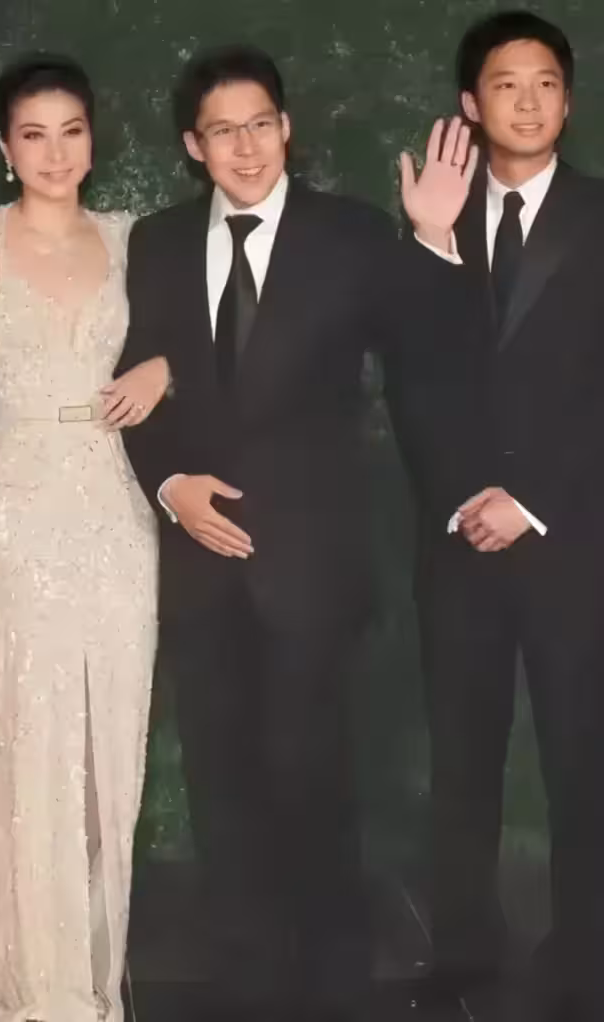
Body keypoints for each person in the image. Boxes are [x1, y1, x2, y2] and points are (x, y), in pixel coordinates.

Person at [116, 43, 474, 1022]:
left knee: (314, 787)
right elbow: (136, 382)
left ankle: (331, 989)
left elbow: (432, 348)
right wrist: (169, 484)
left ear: (287, 128)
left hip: (312, 567)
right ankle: (248, 987)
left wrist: (433, 241)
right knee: (222, 790)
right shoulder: (155, 242)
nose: (245, 146)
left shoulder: (352, 234)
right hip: (199, 565)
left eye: (260, 124)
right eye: (222, 130)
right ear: (193, 145)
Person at [0, 54, 167, 1022]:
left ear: (92, 138)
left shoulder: (133, 236)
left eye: (70, 132)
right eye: (32, 135)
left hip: (118, 502)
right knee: (32, 728)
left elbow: (196, 339)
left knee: (114, 729)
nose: (54, 153)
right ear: (2, 146)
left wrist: (165, 370)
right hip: (22, 502)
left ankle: (94, 959)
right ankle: (30, 966)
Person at [386, 12, 604, 1022]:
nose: (528, 99)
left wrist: (532, 501)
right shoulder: (436, 217)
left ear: (568, 99)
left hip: (575, 540)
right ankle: (463, 952)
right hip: (459, 538)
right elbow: (411, 378)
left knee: (581, 760)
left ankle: (585, 958)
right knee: (461, 760)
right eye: (505, 84)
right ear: (469, 105)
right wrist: (428, 242)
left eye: (545, 81)